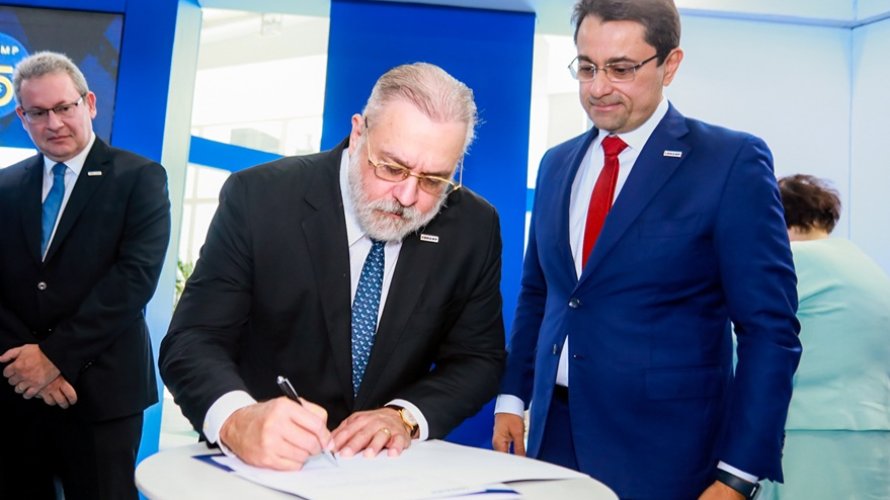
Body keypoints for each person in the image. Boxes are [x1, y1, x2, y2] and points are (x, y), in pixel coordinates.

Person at [492, 1, 802, 499]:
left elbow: (770, 329)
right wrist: (513, 396)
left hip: (667, 454)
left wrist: (738, 473)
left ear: (669, 65)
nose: (598, 88)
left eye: (621, 69)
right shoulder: (556, 163)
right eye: (587, 67)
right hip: (552, 437)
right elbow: (540, 293)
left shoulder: (729, 163)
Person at [159, 62, 506, 470]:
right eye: (392, 168)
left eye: (433, 180)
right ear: (359, 133)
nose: (408, 196)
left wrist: (405, 416)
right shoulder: (260, 197)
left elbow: (477, 359)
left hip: (385, 474)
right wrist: (237, 419)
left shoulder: (472, 227)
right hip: (260, 470)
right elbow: (193, 338)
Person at [0, 51, 171, 499]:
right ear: (22, 116)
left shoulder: (140, 178)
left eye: (64, 107)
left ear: (89, 103)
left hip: (102, 394)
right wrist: (27, 364)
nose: (53, 123)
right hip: (16, 389)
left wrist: (53, 357)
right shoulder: (5, 185)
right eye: (38, 112)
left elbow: (133, 281)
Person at [757, 175, 890, 500]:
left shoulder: (792, 261)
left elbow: (745, 341)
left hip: (811, 434)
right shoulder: (867, 266)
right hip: (872, 434)